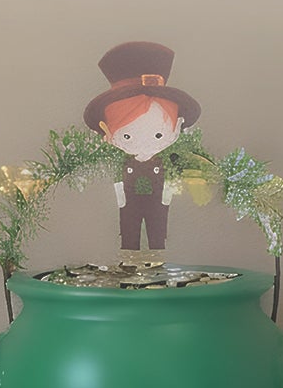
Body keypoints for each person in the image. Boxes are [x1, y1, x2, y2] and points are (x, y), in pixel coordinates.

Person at [83, 41, 201, 261]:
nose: (145, 145)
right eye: (126, 136)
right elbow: (119, 184)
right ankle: (129, 256)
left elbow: (171, 182)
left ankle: (157, 256)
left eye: (158, 135)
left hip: (158, 204)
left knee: (157, 228)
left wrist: (166, 197)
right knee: (129, 228)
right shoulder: (122, 166)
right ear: (106, 132)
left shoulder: (169, 163)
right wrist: (121, 200)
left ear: (177, 128)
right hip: (129, 204)